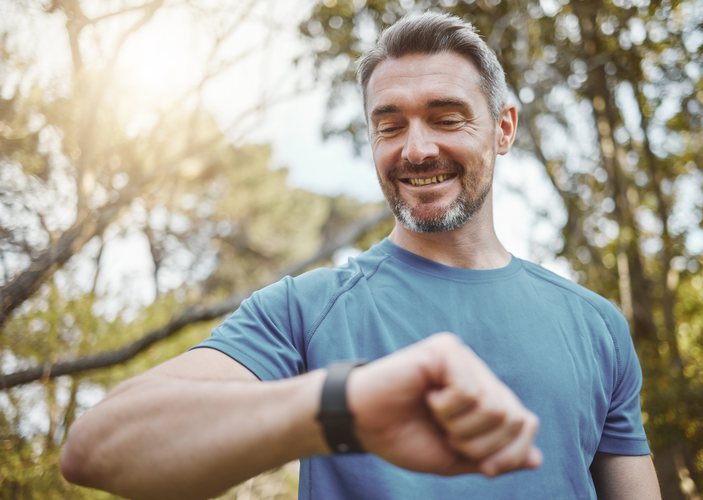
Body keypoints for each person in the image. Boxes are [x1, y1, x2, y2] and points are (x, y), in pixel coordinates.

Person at [60, 12, 660, 500]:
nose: (417, 149)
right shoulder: (305, 309)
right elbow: (97, 449)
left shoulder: (597, 326)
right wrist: (338, 409)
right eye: (389, 126)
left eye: (446, 118)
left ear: (503, 129)